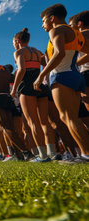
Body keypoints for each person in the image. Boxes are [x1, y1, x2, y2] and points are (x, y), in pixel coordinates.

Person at [34, 4, 89, 161]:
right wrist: (77, 65)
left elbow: (59, 53)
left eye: (44, 21)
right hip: (75, 75)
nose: (43, 25)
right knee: (73, 117)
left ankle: (85, 154)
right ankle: (85, 153)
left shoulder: (56, 30)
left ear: (52, 19)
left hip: (61, 75)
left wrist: (41, 75)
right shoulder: (76, 33)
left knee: (68, 117)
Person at [11, 28, 57, 161]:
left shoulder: (19, 52)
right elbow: (46, 65)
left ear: (17, 41)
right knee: (44, 122)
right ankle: (52, 153)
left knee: (33, 122)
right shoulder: (37, 52)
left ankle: (42, 155)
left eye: (13, 42)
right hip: (39, 85)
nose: (13, 44)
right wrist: (43, 79)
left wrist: (14, 89)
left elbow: (21, 70)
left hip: (26, 86)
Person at [0, 50, 34, 161]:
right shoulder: (5, 69)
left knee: (5, 127)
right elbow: (13, 79)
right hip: (8, 98)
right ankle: (19, 155)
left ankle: (26, 152)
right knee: (11, 128)